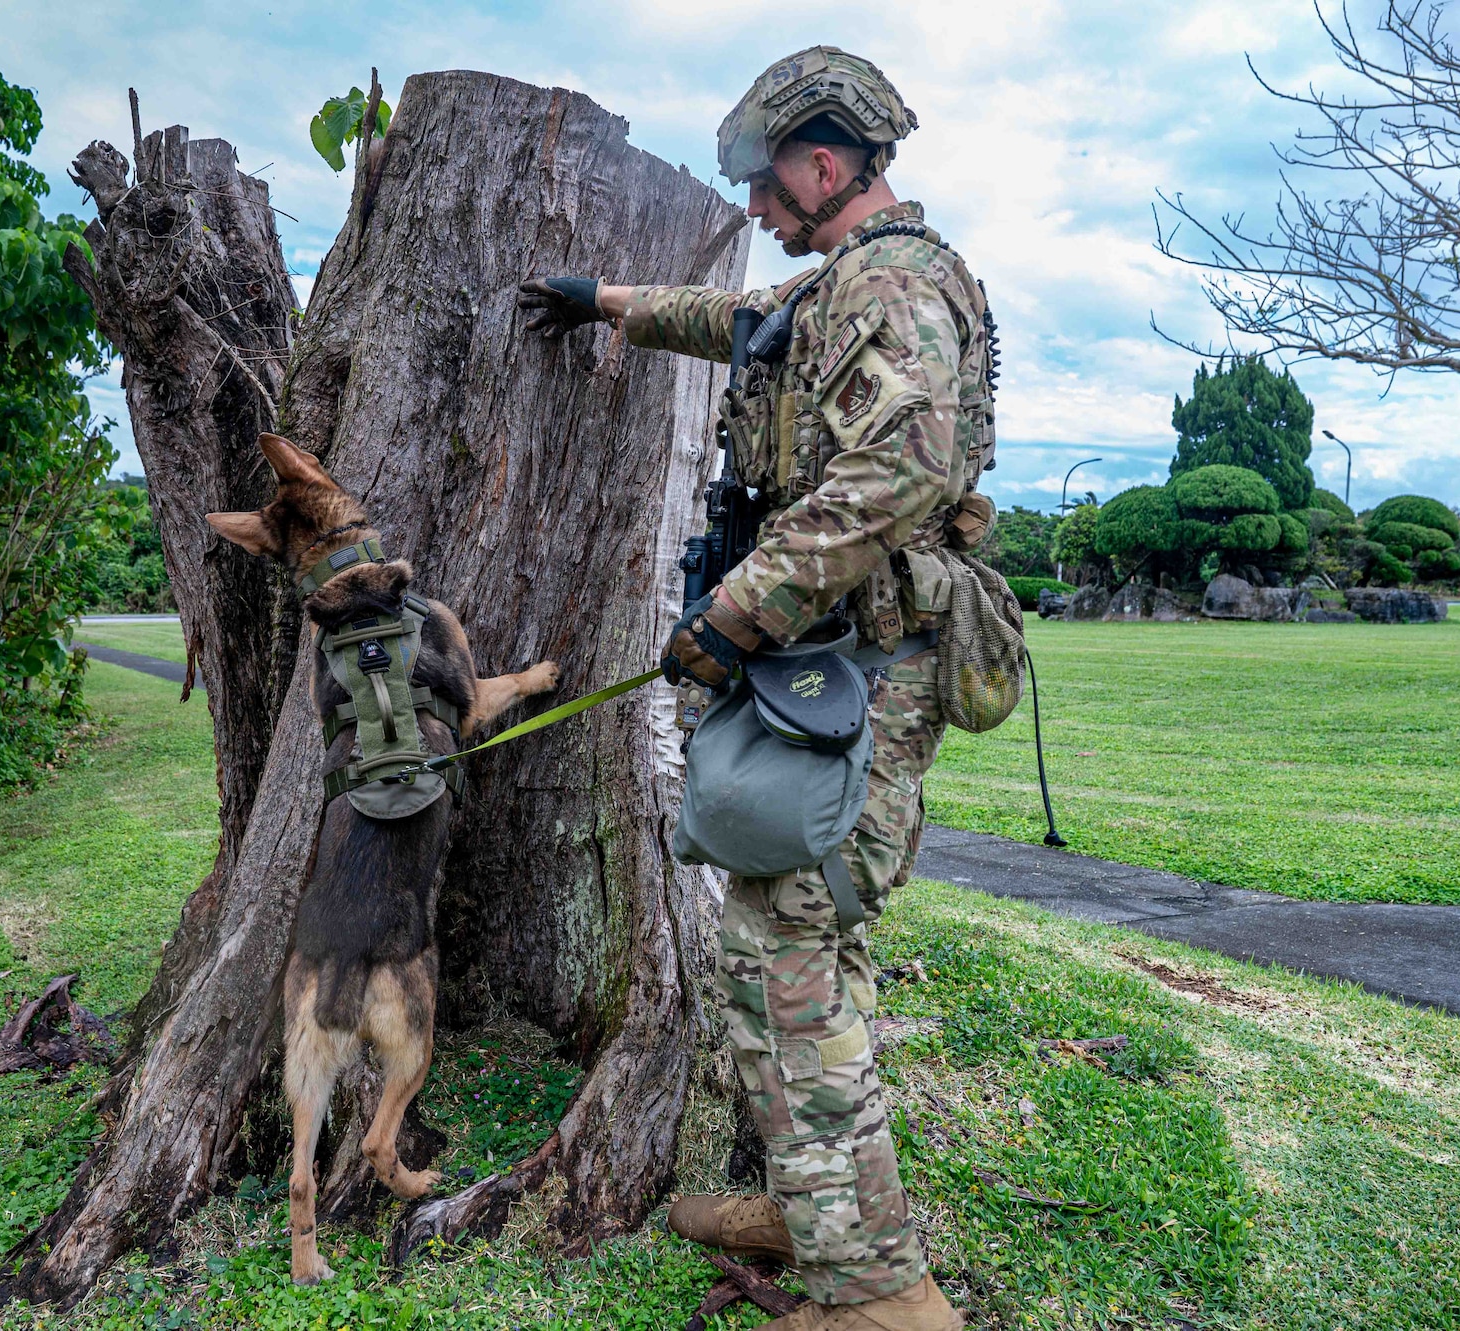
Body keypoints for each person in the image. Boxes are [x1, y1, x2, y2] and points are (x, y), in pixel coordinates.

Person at [518, 45, 998, 1331]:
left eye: (768, 185)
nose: (755, 208)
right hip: (825, 666)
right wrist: (603, 298)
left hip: (861, 670)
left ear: (825, 165)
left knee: (784, 944)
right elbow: (739, 321)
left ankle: (879, 1296)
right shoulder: (840, 288)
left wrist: (734, 614)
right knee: (791, 940)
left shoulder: (891, 288)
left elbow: (895, 474)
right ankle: (813, 1209)